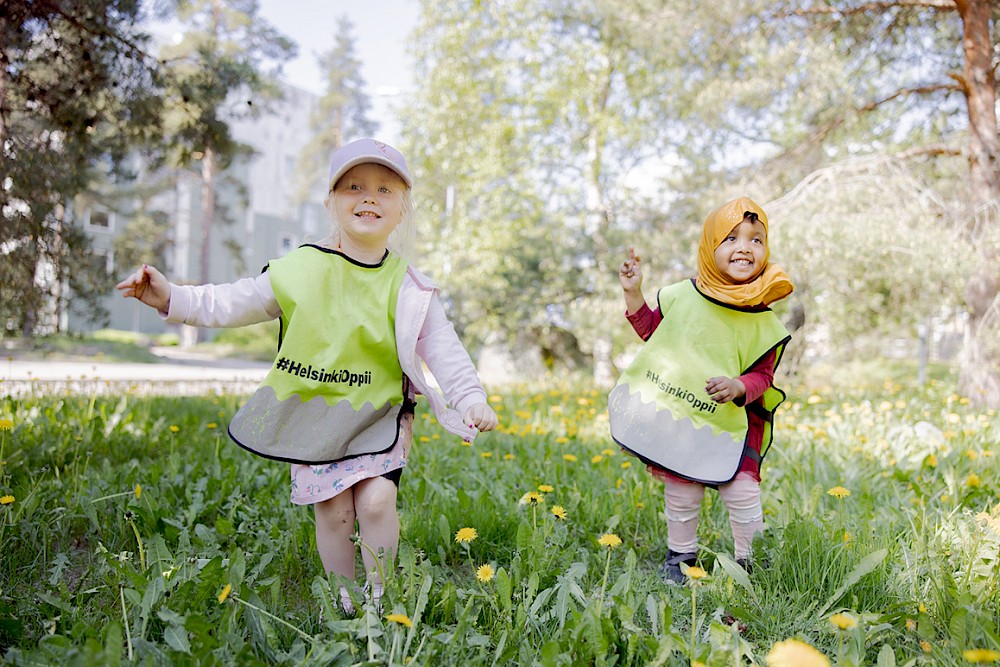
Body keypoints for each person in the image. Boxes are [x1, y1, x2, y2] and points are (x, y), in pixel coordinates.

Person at [117, 138, 498, 612]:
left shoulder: (409, 286)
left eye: (384, 190)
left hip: (377, 415)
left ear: (402, 208)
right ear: (331, 202)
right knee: (335, 511)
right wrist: (173, 297)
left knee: (376, 502)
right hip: (313, 416)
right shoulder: (301, 267)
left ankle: (378, 598)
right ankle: (344, 598)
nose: (368, 197)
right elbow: (235, 300)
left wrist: (470, 398)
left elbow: (445, 350)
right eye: (353, 186)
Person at [608, 196, 793, 583]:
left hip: (734, 426)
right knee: (682, 492)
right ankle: (681, 557)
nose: (745, 246)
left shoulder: (762, 319)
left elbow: (764, 376)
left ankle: (749, 563)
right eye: (731, 238)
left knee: (742, 495)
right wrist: (632, 293)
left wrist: (739, 386)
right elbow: (655, 335)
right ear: (710, 246)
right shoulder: (683, 296)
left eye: (756, 240)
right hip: (682, 418)